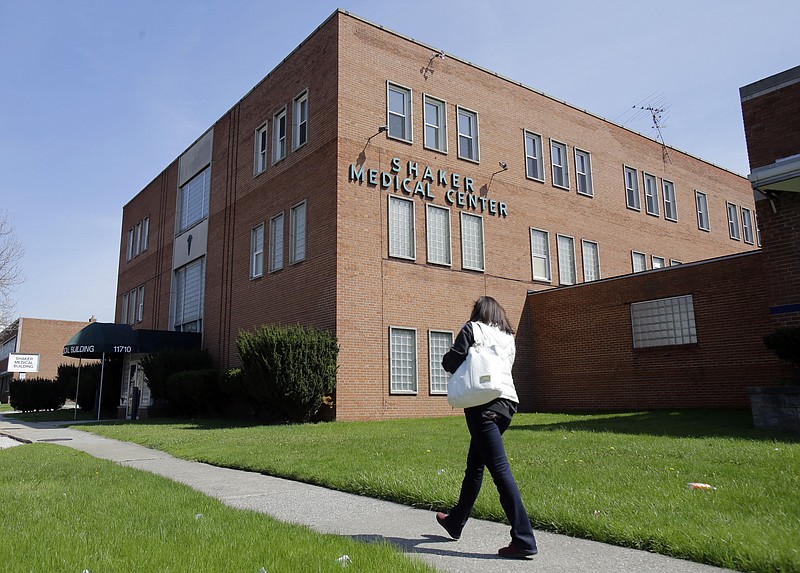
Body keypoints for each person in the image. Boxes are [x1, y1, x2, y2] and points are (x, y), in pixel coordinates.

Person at [436, 295, 538, 558]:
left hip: (483, 407)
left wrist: (449, 354)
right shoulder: (508, 337)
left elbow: (451, 363)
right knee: (475, 464)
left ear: (478, 312)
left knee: (500, 470)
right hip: (507, 405)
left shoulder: (472, 329)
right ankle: (456, 521)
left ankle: (524, 539)